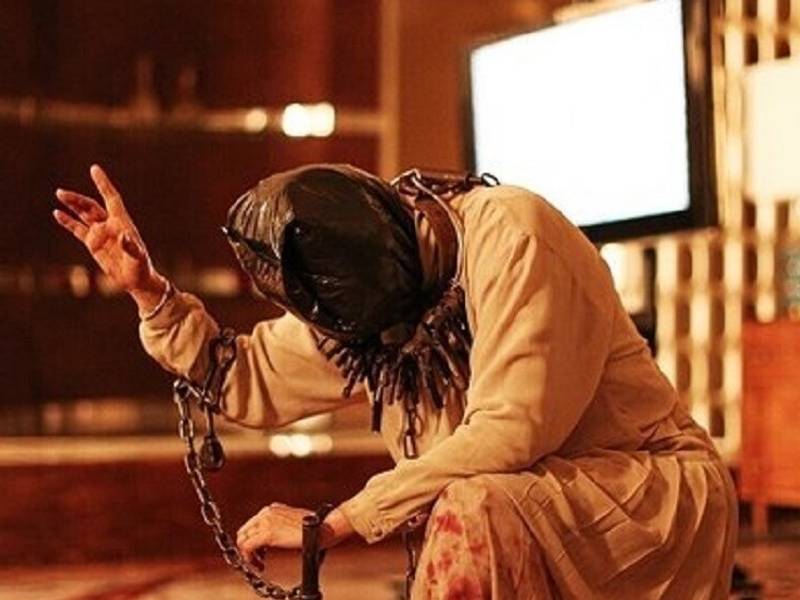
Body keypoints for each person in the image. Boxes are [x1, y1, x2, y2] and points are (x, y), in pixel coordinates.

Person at [53, 163, 738, 599]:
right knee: (474, 509)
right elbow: (249, 375)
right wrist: (151, 294)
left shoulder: (515, 235)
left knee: (473, 508)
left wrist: (339, 522)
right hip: (522, 510)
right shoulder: (366, 299)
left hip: (642, 500)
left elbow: (511, 431)